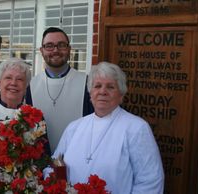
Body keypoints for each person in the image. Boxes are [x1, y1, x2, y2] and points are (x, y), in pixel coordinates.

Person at [52, 62, 164, 193]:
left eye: (110, 87)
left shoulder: (136, 128)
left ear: (121, 95)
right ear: (90, 93)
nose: (102, 91)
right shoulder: (74, 127)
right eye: (97, 86)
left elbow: (150, 180)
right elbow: (55, 163)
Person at [26, 27, 93, 153]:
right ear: (41, 50)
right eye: (49, 46)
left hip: (77, 158)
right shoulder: (30, 86)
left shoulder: (87, 83)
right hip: (40, 163)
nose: (55, 50)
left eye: (61, 45)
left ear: (69, 49)